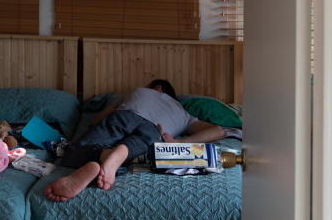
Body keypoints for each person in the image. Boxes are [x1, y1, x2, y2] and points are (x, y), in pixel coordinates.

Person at [44, 79, 225, 202]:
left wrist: (94, 129)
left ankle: (103, 154)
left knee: (74, 151)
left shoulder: (138, 92)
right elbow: (218, 131)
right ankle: (120, 153)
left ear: (157, 88)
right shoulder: (184, 114)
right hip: (154, 130)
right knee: (145, 147)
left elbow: (98, 120)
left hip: (123, 116)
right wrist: (179, 143)